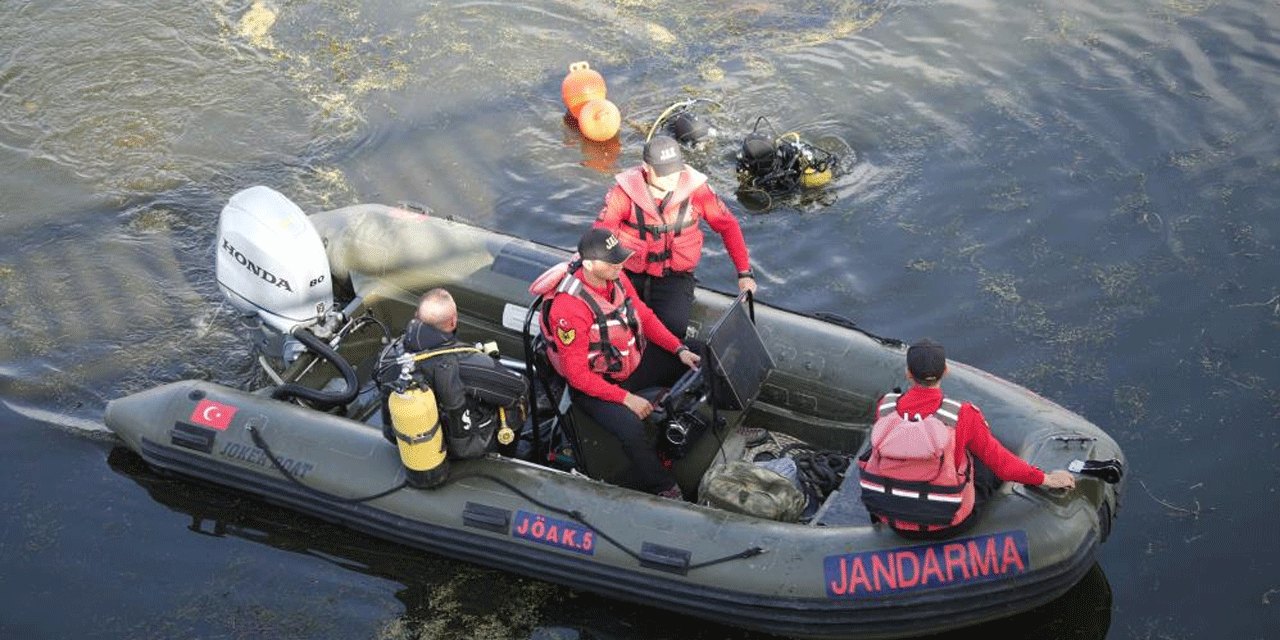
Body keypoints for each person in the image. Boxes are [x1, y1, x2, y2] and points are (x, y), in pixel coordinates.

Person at [537, 228, 701, 498]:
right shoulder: (569, 309)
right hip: (595, 384)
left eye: (620, 259)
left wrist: (678, 348)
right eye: (613, 261)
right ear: (589, 264)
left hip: (629, 361)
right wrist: (625, 398)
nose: (621, 264)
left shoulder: (617, 277)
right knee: (630, 427)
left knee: (699, 353)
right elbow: (577, 375)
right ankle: (662, 486)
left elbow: (644, 316)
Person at [858, 339, 1075, 539]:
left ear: (908, 373)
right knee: (984, 463)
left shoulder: (885, 408)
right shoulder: (963, 415)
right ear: (946, 371)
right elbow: (1004, 466)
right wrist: (1047, 479)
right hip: (950, 522)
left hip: (895, 520)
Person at [594, 134, 757, 340]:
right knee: (615, 329)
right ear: (646, 167)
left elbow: (729, 226)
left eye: (675, 170)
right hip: (628, 273)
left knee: (672, 329)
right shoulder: (623, 193)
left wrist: (744, 273)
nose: (673, 178)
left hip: (673, 277)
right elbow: (601, 234)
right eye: (664, 173)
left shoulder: (698, 192)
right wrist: (600, 273)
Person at [376, 288, 527, 459]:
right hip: (460, 449)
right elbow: (517, 388)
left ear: (416, 315)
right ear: (453, 321)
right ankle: (508, 455)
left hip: (407, 439)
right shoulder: (470, 364)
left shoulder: (389, 354)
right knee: (518, 400)